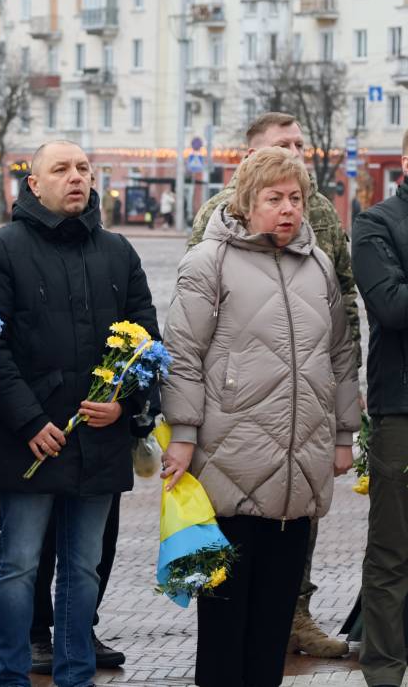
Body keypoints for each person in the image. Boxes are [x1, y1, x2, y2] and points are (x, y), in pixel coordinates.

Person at [160, 147, 359, 686]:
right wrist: (182, 434)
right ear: (246, 203)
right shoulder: (209, 262)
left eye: (295, 198)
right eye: (274, 199)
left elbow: (340, 355)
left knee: (274, 621)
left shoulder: (318, 264)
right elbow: (182, 353)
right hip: (227, 465)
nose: (287, 209)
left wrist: (345, 434)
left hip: (300, 471)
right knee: (226, 618)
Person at [0, 140, 158, 687]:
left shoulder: (118, 251)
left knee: (82, 569)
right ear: (34, 183)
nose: (76, 178)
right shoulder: (0, 250)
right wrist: (29, 421)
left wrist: (125, 403)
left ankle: (77, 675)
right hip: (31, 441)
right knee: (20, 566)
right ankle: (12, 673)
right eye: (61, 169)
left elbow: (146, 340)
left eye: (82, 168)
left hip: (98, 440)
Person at [352, 129, 408, 687]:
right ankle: (386, 671)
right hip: (402, 410)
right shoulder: (376, 223)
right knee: (393, 551)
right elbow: (391, 306)